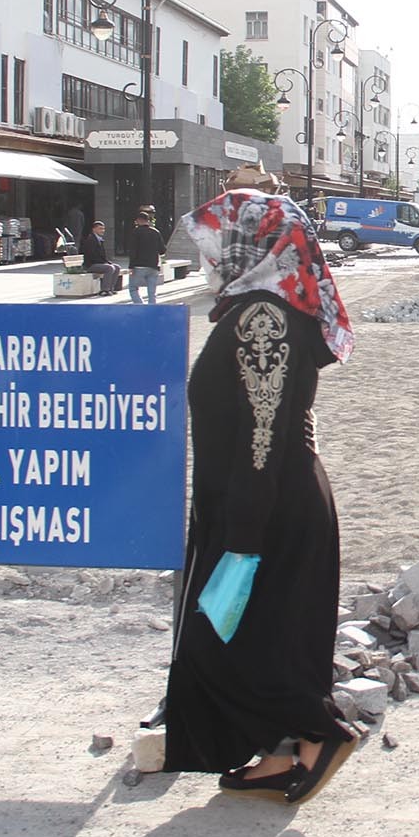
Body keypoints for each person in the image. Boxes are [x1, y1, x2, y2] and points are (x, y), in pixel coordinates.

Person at [162, 187, 359, 803]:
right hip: (266, 498)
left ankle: (319, 735)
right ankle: (283, 752)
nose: (213, 253)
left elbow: (265, 433)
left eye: (224, 240)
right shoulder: (262, 305)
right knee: (267, 636)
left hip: (265, 507)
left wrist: (243, 540)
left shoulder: (265, 315)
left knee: (230, 640)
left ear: (257, 243)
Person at [128, 207, 164, 304]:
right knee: (152, 292)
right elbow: (162, 250)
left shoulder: (136, 232)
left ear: (139, 221)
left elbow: (133, 250)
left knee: (133, 288)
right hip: (153, 266)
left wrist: (131, 266)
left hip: (139, 266)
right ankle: (151, 309)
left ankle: (140, 306)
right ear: (148, 221)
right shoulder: (156, 232)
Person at [80, 219, 121, 295]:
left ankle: (110, 289)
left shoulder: (100, 239)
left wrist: (107, 262)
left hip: (99, 263)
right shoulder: (91, 239)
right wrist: (105, 263)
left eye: (103, 229)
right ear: (94, 229)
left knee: (117, 267)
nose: (103, 230)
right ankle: (104, 290)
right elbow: (92, 256)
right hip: (90, 265)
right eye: (100, 229)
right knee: (109, 268)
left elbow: (102, 256)